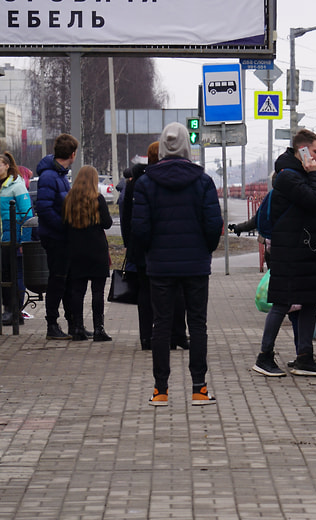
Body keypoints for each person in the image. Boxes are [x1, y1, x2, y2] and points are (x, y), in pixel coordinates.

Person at [132, 122, 223, 407]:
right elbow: (213, 225)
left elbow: (140, 230)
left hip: (160, 266)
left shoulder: (146, 183)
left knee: (161, 325)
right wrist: (203, 251)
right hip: (196, 266)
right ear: (186, 146)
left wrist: (151, 253)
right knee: (197, 324)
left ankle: (161, 390)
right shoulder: (203, 181)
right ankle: (199, 388)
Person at [250, 129, 316, 378]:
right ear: (302, 150)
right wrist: (314, 173)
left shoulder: (299, 174)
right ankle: (264, 357)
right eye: (315, 151)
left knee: (310, 302)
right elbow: (314, 200)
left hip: (305, 250)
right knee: (283, 303)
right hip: (290, 251)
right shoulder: (287, 176)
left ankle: (304, 357)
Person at [122, 142, 190, 351]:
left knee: (145, 293)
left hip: (140, 247)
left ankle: (147, 336)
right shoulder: (162, 181)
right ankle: (176, 334)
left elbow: (126, 217)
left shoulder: (135, 183)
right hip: (163, 248)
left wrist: (130, 245)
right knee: (173, 291)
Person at [35, 133, 80, 340]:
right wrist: (63, 227)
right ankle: (52, 324)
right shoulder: (50, 176)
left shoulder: (59, 175)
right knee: (58, 280)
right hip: (56, 238)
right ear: (72, 154)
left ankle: (73, 324)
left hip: (63, 237)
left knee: (68, 280)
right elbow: (44, 209)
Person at [63, 165, 113, 342]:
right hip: (97, 250)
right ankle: (99, 329)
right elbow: (107, 223)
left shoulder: (69, 200)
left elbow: (64, 225)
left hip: (76, 251)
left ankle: (77, 328)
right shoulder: (98, 199)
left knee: (77, 291)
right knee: (97, 291)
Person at [0, 151, 32, 325]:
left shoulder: (16, 186)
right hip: (2, 238)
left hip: (12, 238)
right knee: (4, 276)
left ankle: (14, 310)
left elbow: (27, 215)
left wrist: (23, 241)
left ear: (7, 166)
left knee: (13, 275)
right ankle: (9, 311)